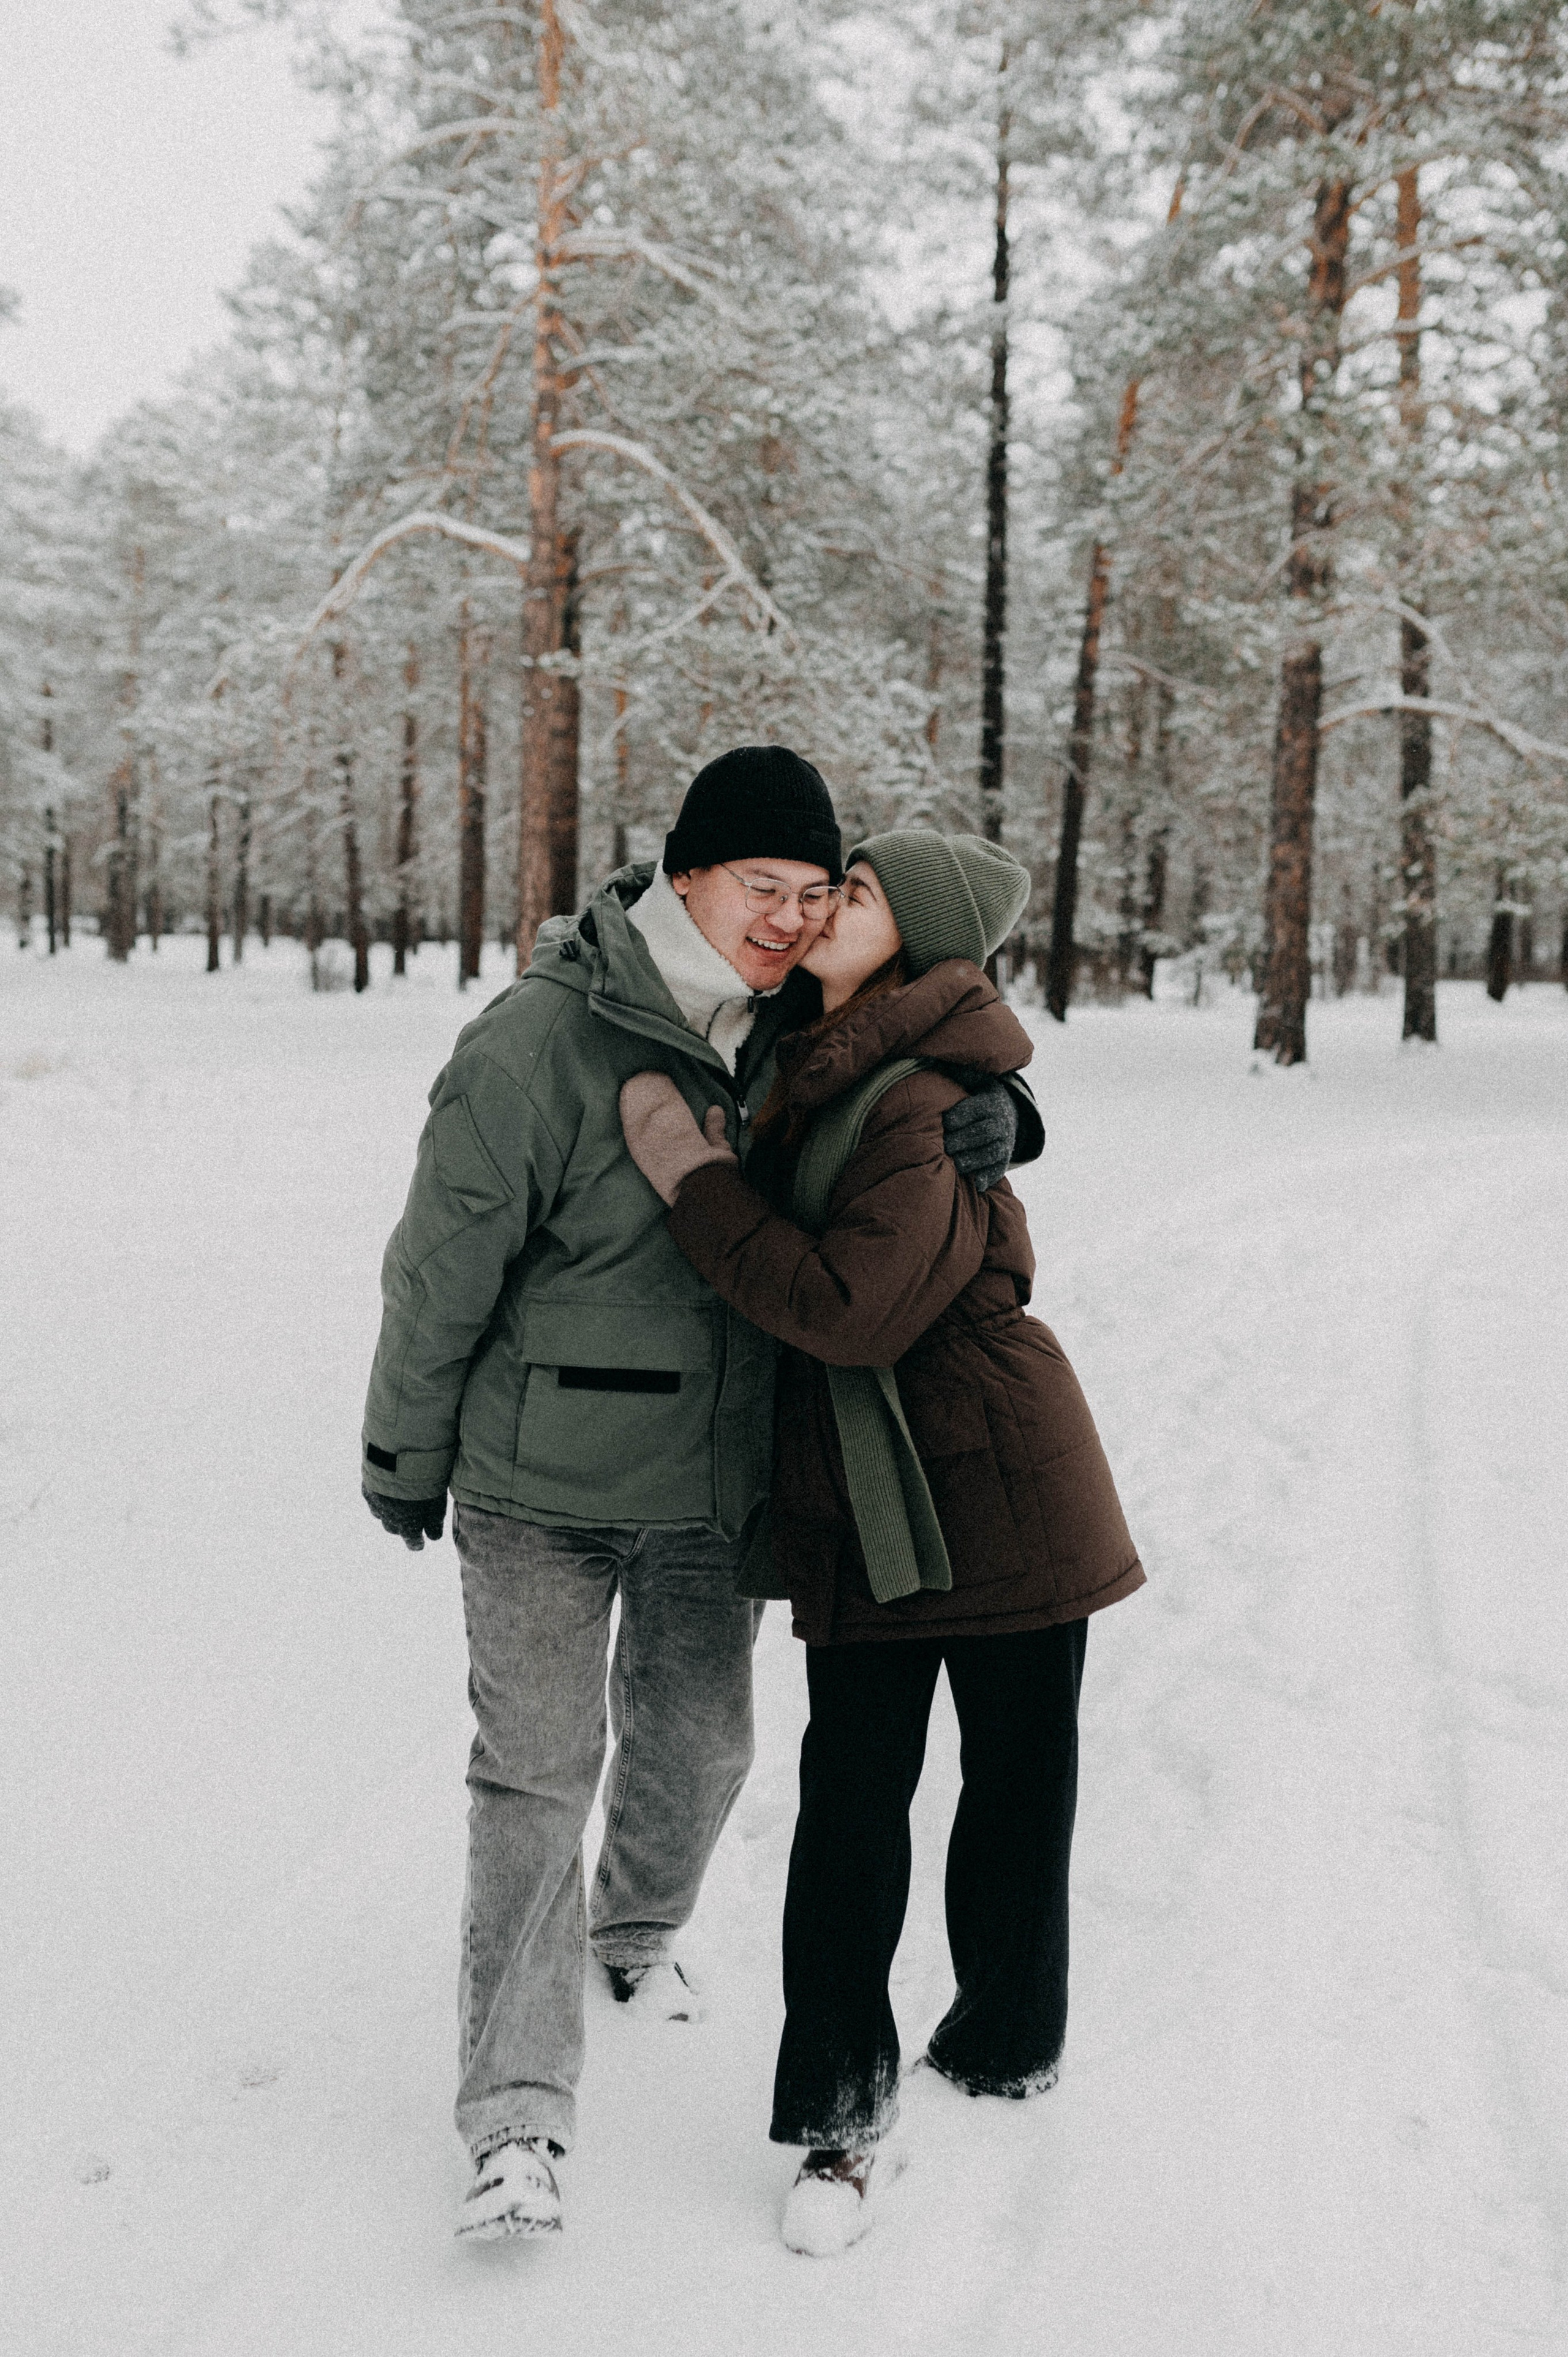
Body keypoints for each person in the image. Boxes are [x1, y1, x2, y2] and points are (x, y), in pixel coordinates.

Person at [358, 751, 1037, 2241]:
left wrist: (1006, 1119)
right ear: (683, 877)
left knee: (704, 1748)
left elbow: (919, 1061)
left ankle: (638, 1932)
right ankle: (517, 2120)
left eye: (814, 893)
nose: (791, 921)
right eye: (761, 890)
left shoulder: (793, 1026)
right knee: (534, 1779)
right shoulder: (543, 1039)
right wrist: (403, 1448)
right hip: (538, 1483)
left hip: (711, 1488)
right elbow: (441, 1260)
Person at [619, 828, 1144, 2258]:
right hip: (881, 1490)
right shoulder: (822, 1044)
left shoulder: (911, 1089)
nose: (819, 906)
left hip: (1000, 1482)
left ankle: (1000, 2049)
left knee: (1015, 1789)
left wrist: (692, 1180)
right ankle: (839, 2114)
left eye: (850, 893)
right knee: (853, 1807)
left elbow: (849, 1306)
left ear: (911, 937)